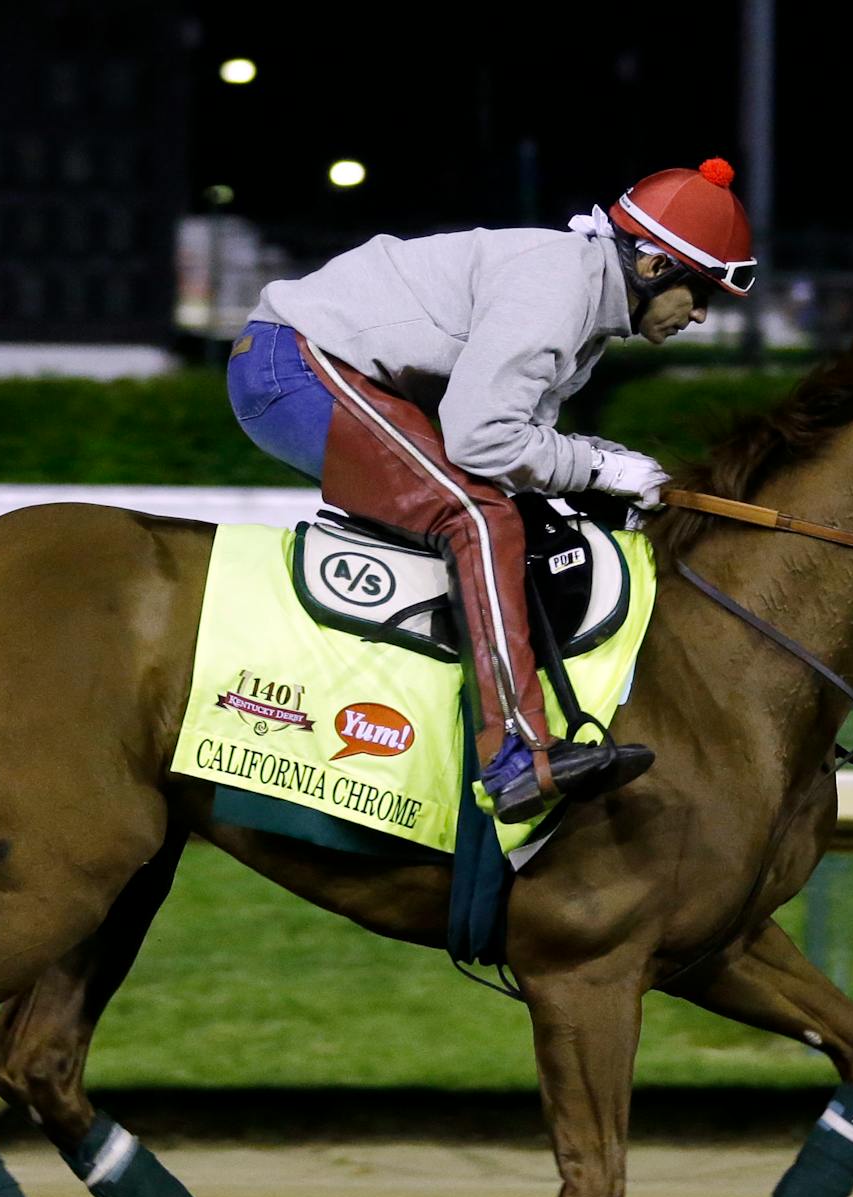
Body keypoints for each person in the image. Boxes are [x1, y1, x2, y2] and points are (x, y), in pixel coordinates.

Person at [228, 158, 756, 823]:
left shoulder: (583, 299)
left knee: (502, 511)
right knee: (475, 518)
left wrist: (608, 467)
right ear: (653, 267)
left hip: (326, 365)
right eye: (701, 294)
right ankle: (512, 754)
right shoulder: (559, 284)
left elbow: (523, 447)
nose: (702, 316)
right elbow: (483, 442)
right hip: (296, 362)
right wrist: (601, 468)